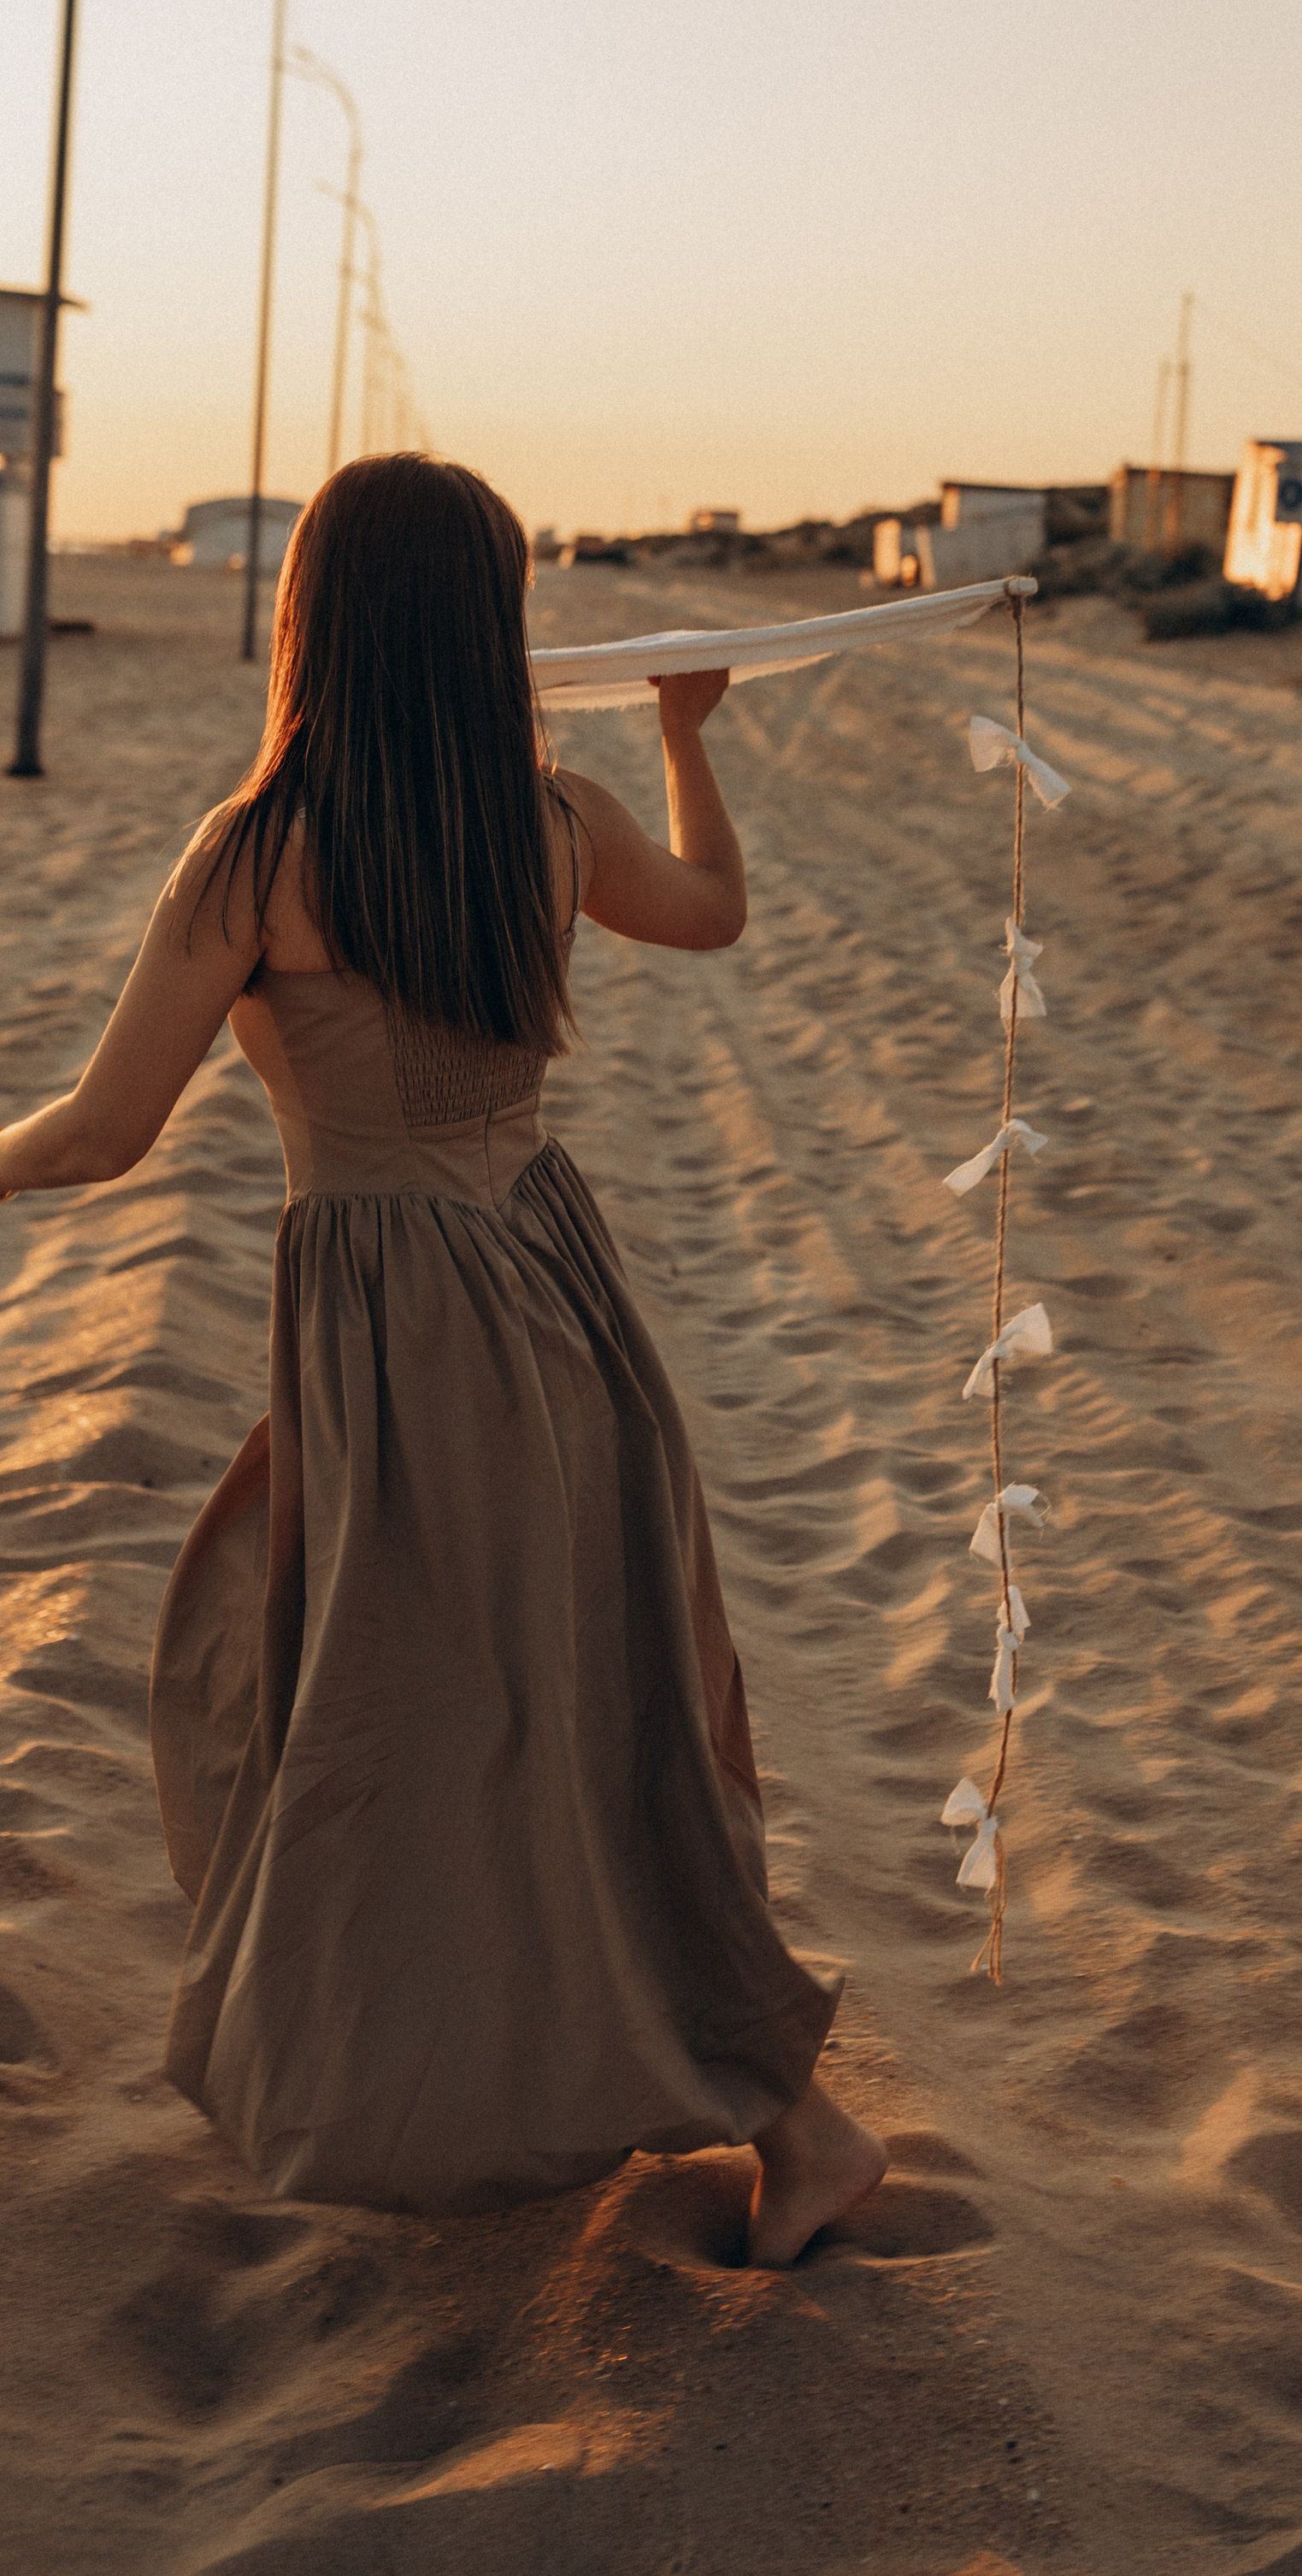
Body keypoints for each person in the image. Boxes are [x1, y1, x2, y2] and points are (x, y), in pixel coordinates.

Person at [0, 455, 885, 2259]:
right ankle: (644, 2088)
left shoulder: (259, 851)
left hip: (407, 1341)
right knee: (569, 1710)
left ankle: (788, 2120)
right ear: (485, 623)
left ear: (312, 616)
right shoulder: (546, 819)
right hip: (558, 1305)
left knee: (407, 1715)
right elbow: (716, 908)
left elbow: (102, 1132)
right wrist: (687, 735)